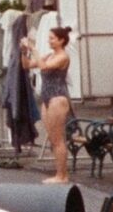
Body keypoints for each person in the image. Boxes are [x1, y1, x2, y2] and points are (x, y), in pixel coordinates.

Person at [24, 26, 76, 184]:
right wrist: (23, 51)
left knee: (59, 139)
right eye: (49, 37)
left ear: (61, 40)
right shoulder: (49, 55)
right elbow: (27, 65)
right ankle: (58, 173)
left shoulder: (63, 57)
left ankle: (62, 175)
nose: (49, 40)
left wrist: (33, 48)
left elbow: (44, 67)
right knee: (53, 139)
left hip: (57, 98)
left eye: (52, 38)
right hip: (46, 98)